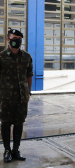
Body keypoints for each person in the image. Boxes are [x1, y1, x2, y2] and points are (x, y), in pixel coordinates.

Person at [0, 29, 33, 163]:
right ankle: (7, 150)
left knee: (19, 123)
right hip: (5, 97)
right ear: (8, 39)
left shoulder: (26, 56)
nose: (17, 41)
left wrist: (28, 93)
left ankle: (16, 149)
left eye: (19, 38)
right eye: (14, 38)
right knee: (6, 123)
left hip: (21, 97)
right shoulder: (1, 56)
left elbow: (29, 75)